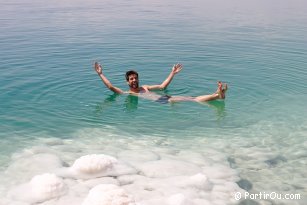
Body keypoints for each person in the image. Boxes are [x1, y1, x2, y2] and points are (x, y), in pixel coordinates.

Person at [94, 62, 227, 103]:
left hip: (165, 98)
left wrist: (172, 73)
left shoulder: (145, 87)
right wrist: (100, 74)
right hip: (162, 101)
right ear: (127, 82)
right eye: (131, 79)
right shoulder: (127, 93)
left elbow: (163, 86)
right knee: (194, 99)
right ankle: (217, 95)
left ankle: (217, 94)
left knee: (192, 98)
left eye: (135, 78)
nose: (134, 80)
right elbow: (111, 87)